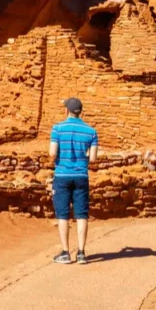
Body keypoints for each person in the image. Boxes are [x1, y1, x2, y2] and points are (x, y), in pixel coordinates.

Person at [49, 97, 98, 264]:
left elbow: (52, 153)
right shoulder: (91, 132)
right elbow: (92, 159)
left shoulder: (57, 129)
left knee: (63, 215)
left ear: (66, 111)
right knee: (81, 214)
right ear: (81, 112)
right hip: (81, 176)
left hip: (62, 175)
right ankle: (82, 253)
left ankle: (65, 252)